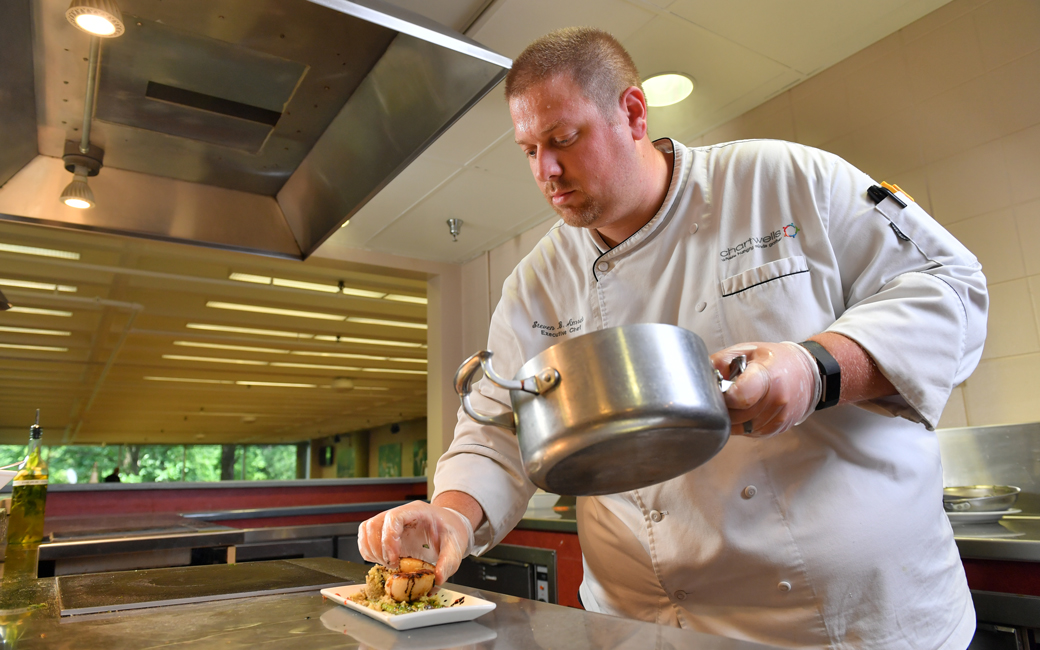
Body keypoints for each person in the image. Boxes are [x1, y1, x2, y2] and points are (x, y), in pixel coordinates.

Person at [359, 27, 988, 649]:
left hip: (839, 621)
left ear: (632, 113)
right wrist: (451, 514)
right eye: (529, 150)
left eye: (563, 139)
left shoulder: (782, 179)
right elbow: (499, 427)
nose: (546, 170)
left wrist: (814, 368)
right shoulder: (536, 284)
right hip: (639, 624)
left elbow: (951, 290)